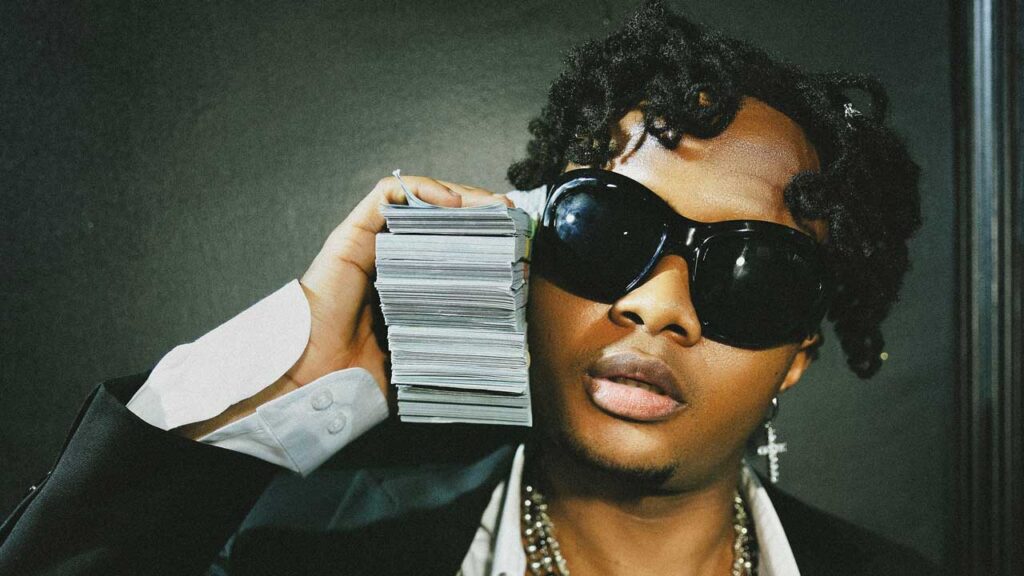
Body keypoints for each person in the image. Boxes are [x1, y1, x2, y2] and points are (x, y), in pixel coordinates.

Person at [0, 2, 935, 574]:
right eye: (604, 229)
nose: (656, 305)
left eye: (754, 273)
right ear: (525, 256)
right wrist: (297, 373)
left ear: (798, 356)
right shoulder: (299, 556)